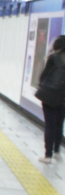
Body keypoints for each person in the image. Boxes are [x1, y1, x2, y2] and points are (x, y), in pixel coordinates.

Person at [36, 36, 65, 164]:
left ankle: (48, 155)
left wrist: (41, 85)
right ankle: (57, 152)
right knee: (59, 124)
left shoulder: (54, 58)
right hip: (63, 98)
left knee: (50, 124)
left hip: (50, 96)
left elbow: (44, 75)